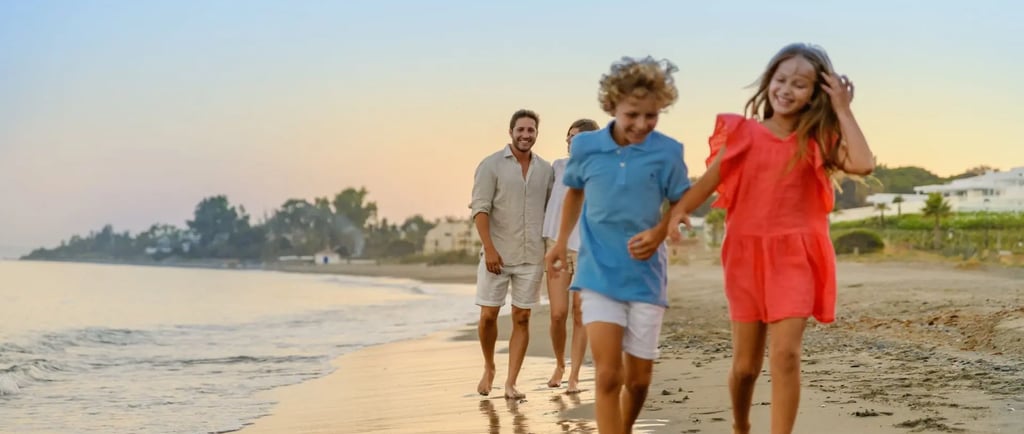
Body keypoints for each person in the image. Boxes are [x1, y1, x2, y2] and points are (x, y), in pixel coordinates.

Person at [663, 43, 875, 434]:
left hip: (797, 253)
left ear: (815, 94)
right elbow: (706, 184)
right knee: (745, 366)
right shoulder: (743, 133)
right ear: (768, 83)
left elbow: (863, 163)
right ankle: (740, 424)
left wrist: (843, 109)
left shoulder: (819, 140)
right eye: (781, 80)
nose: (787, 89)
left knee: (786, 355)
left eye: (800, 84)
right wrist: (673, 216)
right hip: (746, 255)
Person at [545, 56, 690, 434]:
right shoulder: (587, 147)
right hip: (598, 273)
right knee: (608, 375)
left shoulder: (669, 152)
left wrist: (664, 229)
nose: (641, 125)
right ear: (612, 106)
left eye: (651, 115)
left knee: (638, 381)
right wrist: (561, 241)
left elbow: (680, 200)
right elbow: (574, 191)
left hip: (646, 275)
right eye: (632, 115)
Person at [469, 109, 554, 400]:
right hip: (498, 255)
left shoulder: (545, 170)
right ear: (511, 131)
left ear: (536, 134)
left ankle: (510, 382)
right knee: (489, 316)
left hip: (532, 256)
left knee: (522, 318)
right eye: (521, 130)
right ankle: (489, 366)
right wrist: (489, 249)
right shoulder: (491, 165)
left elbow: (553, 209)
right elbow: (480, 209)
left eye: (531, 130)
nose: (526, 135)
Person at [542, 118, 600, 394]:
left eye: (576, 137)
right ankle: (559, 363)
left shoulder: (601, 170)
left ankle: (575, 375)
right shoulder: (557, 167)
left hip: (588, 248)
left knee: (580, 313)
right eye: (568, 136)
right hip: (557, 244)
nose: (569, 141)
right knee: (557, 313)